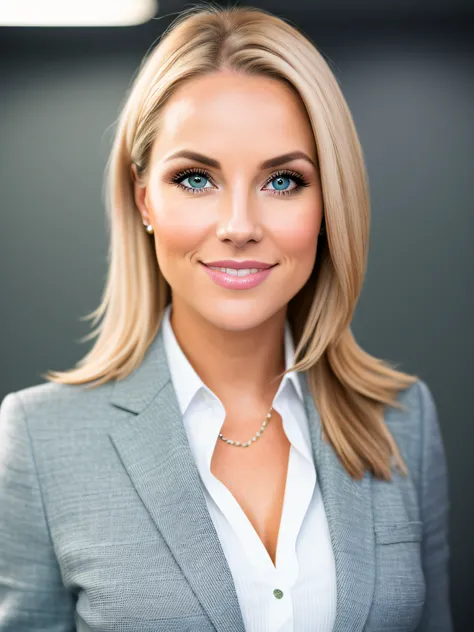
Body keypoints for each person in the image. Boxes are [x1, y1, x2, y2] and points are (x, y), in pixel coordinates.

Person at [0, 4, 452, 632]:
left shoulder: (403, 421)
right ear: (143, 199)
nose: (239, 227)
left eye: (283, 182)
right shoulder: (40, 439)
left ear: (330, 203)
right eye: (194, 179)